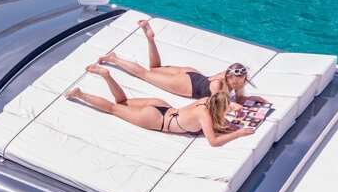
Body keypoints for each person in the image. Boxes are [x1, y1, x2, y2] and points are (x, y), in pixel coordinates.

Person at [66, 66, 255, 146]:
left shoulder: (204, 103)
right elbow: (213, 142)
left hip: (162, 107)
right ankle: (80, 94)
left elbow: (219, 119)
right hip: (157, 119)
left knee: (121, 103)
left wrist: (229, 125)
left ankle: (108, 75)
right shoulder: (205, 115)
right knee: (113, 109)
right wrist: (237, 133)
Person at [100, 19, 268, 107]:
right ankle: (114, 58)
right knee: (145, 74)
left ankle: (150, 38)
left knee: (154, 68)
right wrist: (234, 106)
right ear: (229, 76)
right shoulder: (218, 84)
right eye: (236, 82)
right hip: (186, 85)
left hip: (192, 74)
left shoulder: (232, 77)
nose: (238, 84)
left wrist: (250, 98)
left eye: (241, 81)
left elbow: (237, 99)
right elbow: (221, 104)